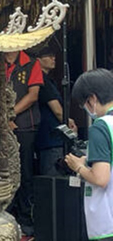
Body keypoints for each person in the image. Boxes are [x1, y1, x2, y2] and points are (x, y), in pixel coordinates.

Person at [65, 68, 113, 241]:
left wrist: (79, 167)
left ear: (92, 99)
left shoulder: (101, 128)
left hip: (109, 224)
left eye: (84, 103)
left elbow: (101, 178)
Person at [0, 50, 42, 235]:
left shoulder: (31, 63)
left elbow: (33, 95)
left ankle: (25, 218)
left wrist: (10, 114)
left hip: (24, 125)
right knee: (0, 170)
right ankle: (4, 213)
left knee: (24, 172)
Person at [35, 47, 75, 176]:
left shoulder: (47, 79)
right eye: (48, 56)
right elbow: (57, 110)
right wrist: (68, 123)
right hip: (51, 135)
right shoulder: (42, 80)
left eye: (54, 56)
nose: (53, 58)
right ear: (38, 60)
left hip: (51, 135)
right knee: (53, 174)